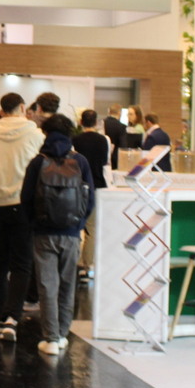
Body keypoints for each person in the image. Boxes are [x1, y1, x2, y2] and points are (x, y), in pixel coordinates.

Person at [21, 114, 95, 356]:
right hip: (71, 233)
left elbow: (26, 198)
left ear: (46, 134)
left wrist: (34, 223)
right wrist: (79, 223)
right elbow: (90, 198)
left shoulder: (38, 162)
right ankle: (62, 334)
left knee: (47, 286)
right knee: (67, 284)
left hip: (43, 233)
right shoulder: (80, 161)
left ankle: (51, 338)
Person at [0, 92, 45, 342]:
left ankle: (0, 315)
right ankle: (11, 317)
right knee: (21, 263)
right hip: (22, 203)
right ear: (22, 107)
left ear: (2, 109)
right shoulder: (34, 133)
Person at [71, 109, 111, 281]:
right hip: (96, 185)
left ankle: (72, 263)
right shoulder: (103, 140)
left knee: (74, 226)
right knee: (92, 228)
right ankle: (86, 266)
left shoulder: (75, 140)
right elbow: (105, 162)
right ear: (96, 122)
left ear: (81, 122)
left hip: (77, 185)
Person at [103, 104, 127, 170]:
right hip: (115, 159)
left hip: (103, 155)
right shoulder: (121, 126)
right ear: (119, 113)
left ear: (109, 112)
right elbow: (122, 145)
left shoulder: (102, 123)